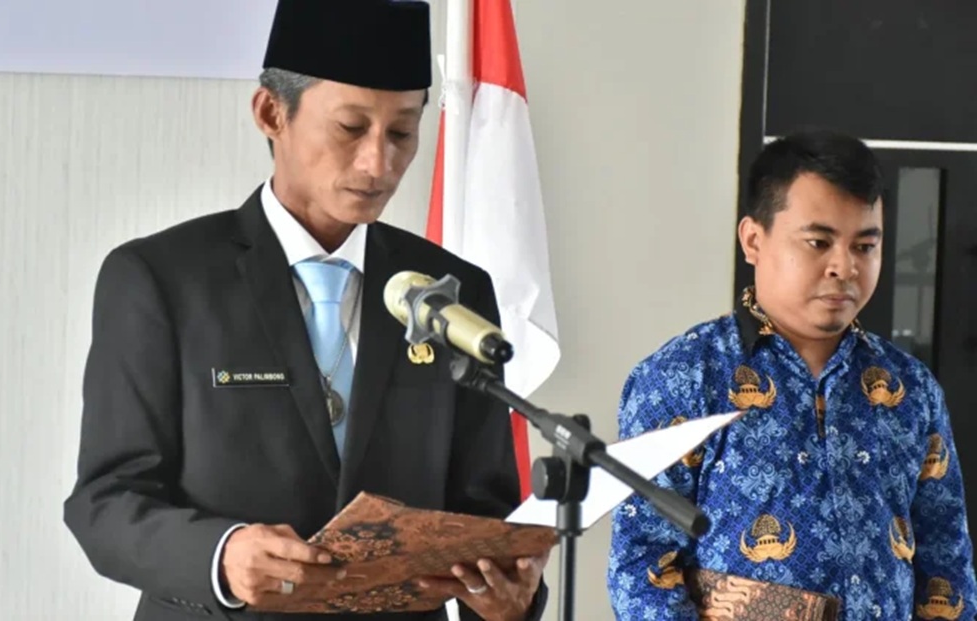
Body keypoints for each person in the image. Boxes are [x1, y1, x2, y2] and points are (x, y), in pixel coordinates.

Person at [62, 1, 549, 620]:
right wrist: (221, 557)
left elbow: (484, 510)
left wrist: (512, 602)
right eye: (350, 128)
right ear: (272, 113)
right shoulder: (161, 279)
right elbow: (105, 502)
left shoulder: (452, 292)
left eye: (402, 133)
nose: (379, 163)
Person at [607, 129, 977, 620]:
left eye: (865, 246)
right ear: (753, 240)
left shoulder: (909, 388)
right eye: (818, 242)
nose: (844, 266)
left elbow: (946, 563)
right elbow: (642, 567)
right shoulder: (684, 377)